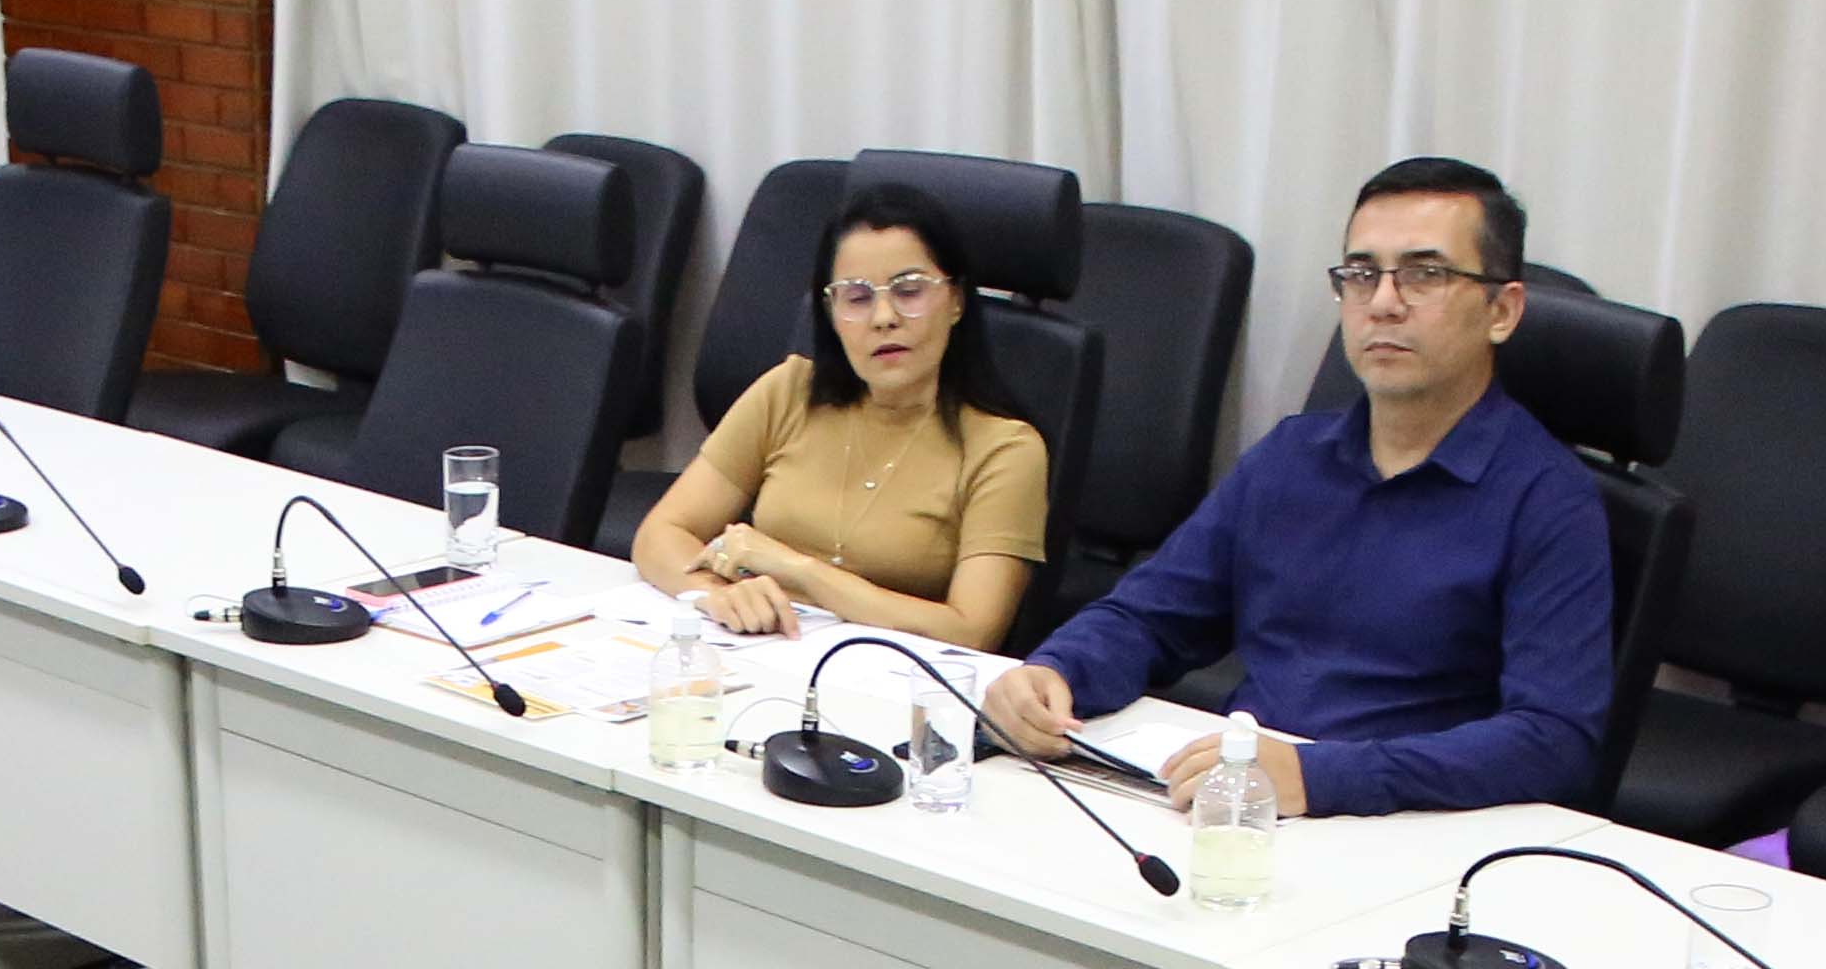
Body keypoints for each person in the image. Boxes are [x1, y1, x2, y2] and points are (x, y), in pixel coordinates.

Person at [980, 155, 1614, 820]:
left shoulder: (1548, 499)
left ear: (1501, 311)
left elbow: (1553, 740)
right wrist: (1054, 672)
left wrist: (1321, 776)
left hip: (1408, 826)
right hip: (1241, 805)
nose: (1383, 303)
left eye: (1424, 275)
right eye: (1361, 274)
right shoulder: (1291, 457)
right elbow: (1151, 615)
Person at [625, 182, 1052, 651]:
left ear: (956, 301)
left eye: (909, 291)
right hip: (757, 654)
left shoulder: (1006, 449)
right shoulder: (788, 391)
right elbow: (660, 535)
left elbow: (974, 631)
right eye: (857, 297)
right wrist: (717, 595)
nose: (884, 317)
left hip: (893, 674)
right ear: (830, 312)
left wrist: (798, 570)